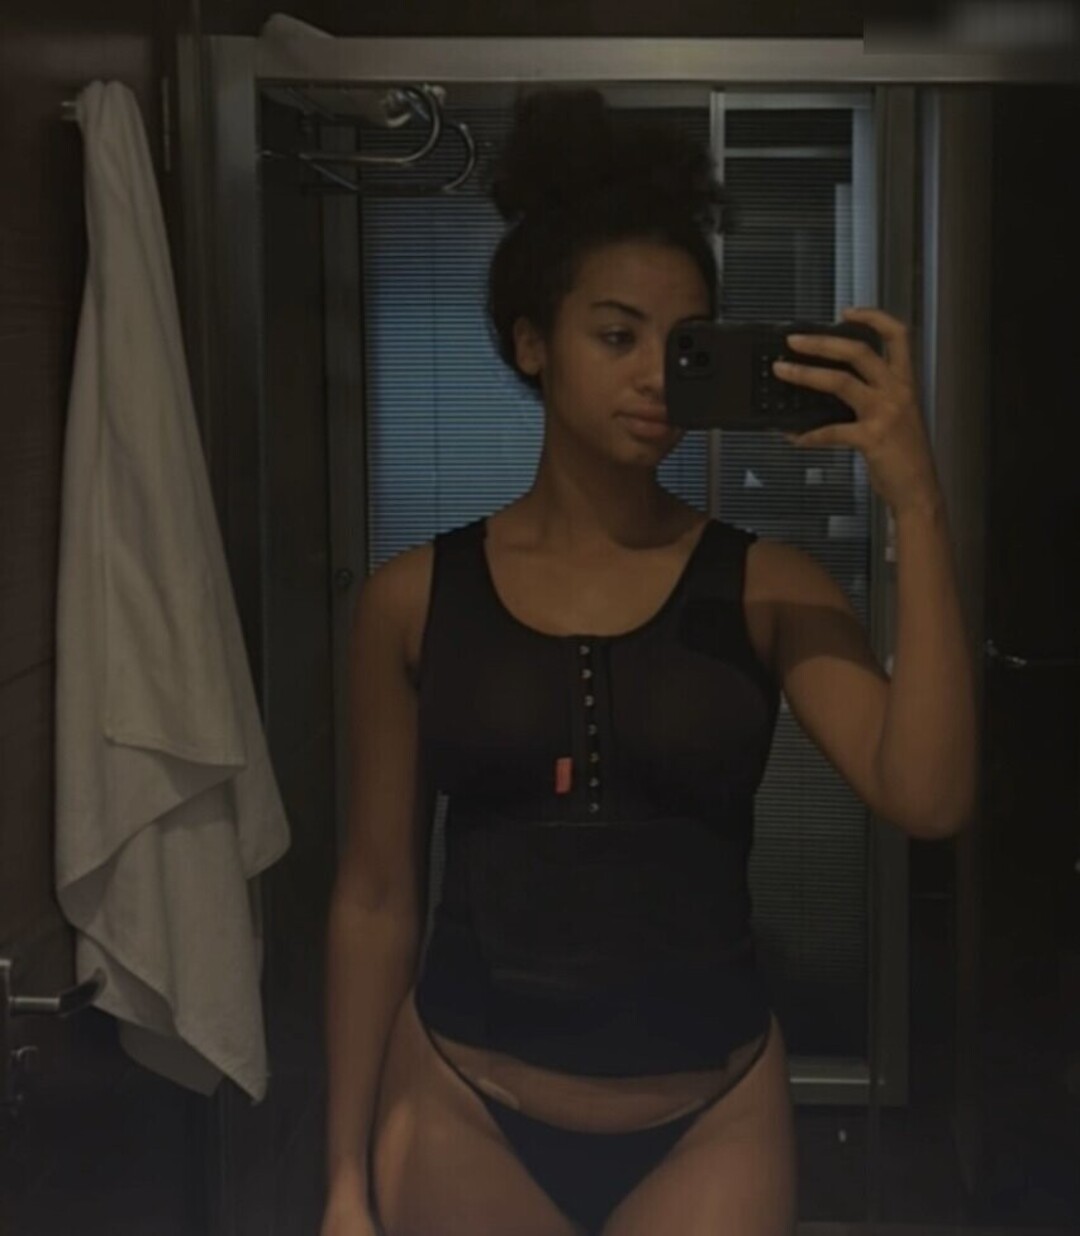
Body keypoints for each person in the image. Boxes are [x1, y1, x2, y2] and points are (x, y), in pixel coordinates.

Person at [320, 87, 978, 1236]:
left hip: (710, 1119)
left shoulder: (770, 585)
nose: (654, 376)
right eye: (616, 336)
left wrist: (916, 503)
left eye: (683, 345)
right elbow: (375, 896)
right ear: (532, 341)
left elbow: (926, 794)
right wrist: (341, 1186)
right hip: (463, 1106)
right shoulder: (409, 602)